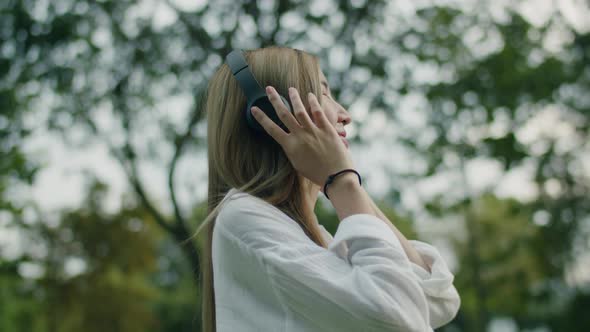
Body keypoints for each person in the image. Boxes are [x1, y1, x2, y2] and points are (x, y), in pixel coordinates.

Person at [194, 46, 460, 332]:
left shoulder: (310, 234)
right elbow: (398, 319)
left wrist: (341, 179)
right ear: (273, 113)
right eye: (324, 93)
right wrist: (342, 179)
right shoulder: (244, 217)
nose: (345, 115)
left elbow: (437, 301)